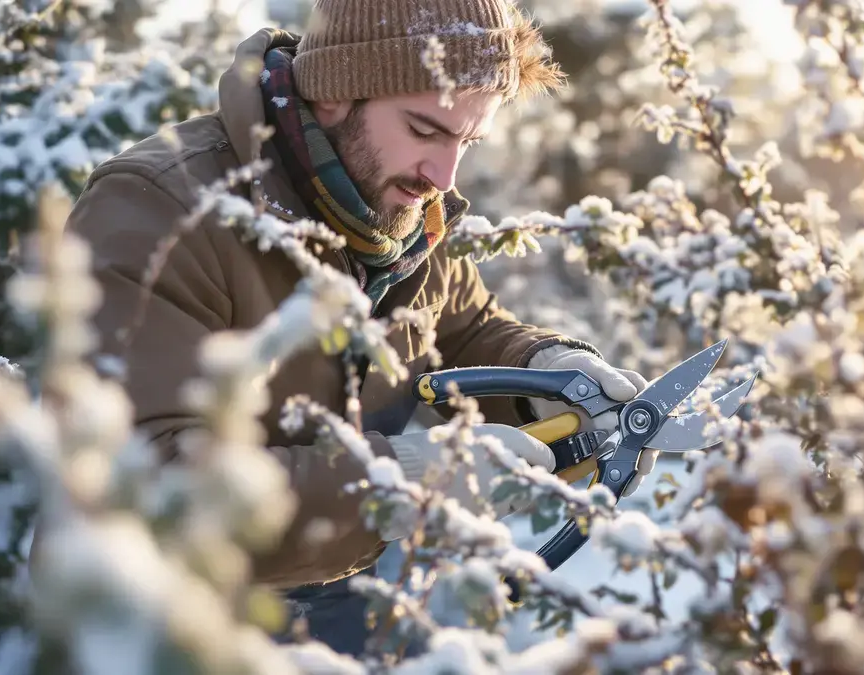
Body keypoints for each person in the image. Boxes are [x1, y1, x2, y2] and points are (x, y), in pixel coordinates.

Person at [45, 0, 661, 658]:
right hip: (150, 622)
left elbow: (462, 326)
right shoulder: (156, 213)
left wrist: (549, 370)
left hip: (333, 595)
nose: (443, 176)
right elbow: (142, 487)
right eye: (425, 128)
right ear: (335, 93)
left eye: (467, 141)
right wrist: (393, 485)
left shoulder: (397, 213)